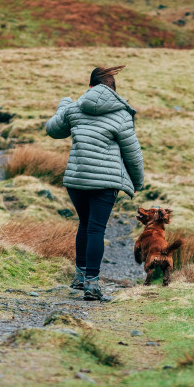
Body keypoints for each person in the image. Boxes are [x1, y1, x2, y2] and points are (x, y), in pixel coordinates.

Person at [45, 65, 144, 301]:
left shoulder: (76, 108)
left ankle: (80, 278)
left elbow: (53, 130)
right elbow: (133, 153)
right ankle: (91, 284)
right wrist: (138, 183)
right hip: (106, 182)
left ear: (90, 87)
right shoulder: (121, 113)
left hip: (77, 180)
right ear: (113, 89)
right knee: (96, 228)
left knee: (85, 223)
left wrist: (63, 105)